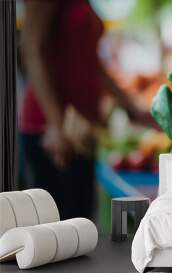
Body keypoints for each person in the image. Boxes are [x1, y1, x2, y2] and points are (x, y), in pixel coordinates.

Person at [20, 0, 154, 219]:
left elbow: (92, 63)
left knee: (81, 225)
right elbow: (33, 50)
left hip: (83, 133)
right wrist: (56, 124)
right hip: (51, 131)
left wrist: (132, 108)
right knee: (57, 230)